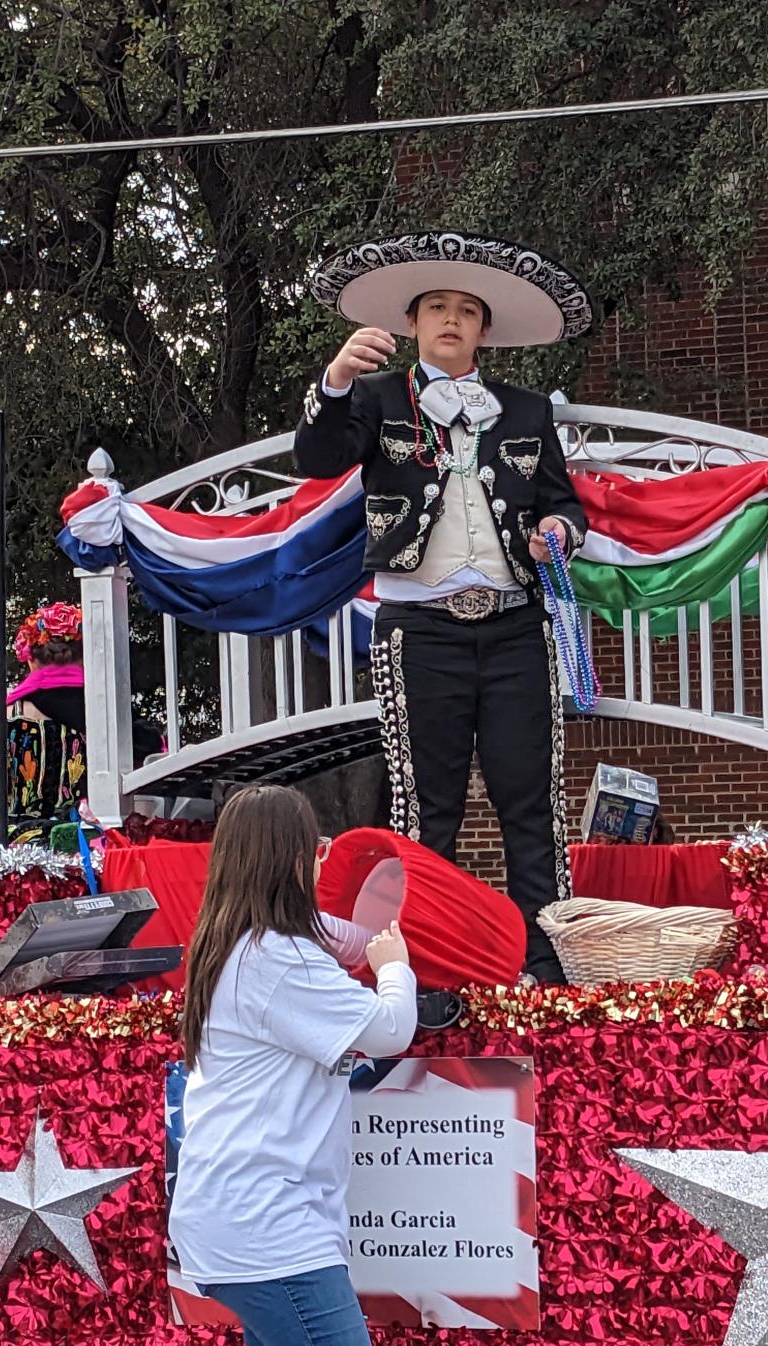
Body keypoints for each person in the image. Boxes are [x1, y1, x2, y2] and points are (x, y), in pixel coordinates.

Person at [296, 232, 596, 981]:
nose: (452, 321)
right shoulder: (372, 398)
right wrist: (332, 381)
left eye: (467, 310)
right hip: (419, 628)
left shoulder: (525, 410)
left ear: (484, 330)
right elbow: (316, 457)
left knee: (531, 803)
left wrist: (559, 529)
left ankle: (545, 967)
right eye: (436, 309)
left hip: (514, 626)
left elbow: (562, 501)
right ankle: (424, 967)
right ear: (413, 324)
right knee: (426, 810)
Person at [166, 785, 417, 1346]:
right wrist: (395, 960)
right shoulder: (280, 962)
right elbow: (388, 1030)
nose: (321, 860)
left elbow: (332, 936)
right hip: (268, 1224)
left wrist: (364, 937)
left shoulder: (236, 944)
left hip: (238, 1215)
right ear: (288, 858)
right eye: (312, 847)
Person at [0, 601, 160, 845]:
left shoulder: (6, 715)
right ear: (84, 655)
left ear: (31, 660)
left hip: (12, 848)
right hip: (85, 843)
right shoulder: (108, 713)